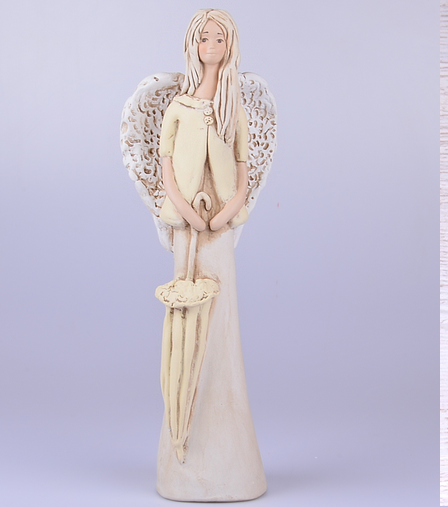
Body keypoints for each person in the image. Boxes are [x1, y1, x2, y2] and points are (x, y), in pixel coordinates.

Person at [155, 9, 267, 502]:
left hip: (218, 233)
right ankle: (183, 449)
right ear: (193, 45)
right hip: (187, 231)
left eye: (219, 38)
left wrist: (223, 217)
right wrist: (186, 212)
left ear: (230, 45)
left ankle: (228, 455)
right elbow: (164, 168)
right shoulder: (178, 107)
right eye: (204, 38)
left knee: (221, 328)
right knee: (185, 326)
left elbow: (244, 175)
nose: (211, 45)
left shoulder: (233, 108)